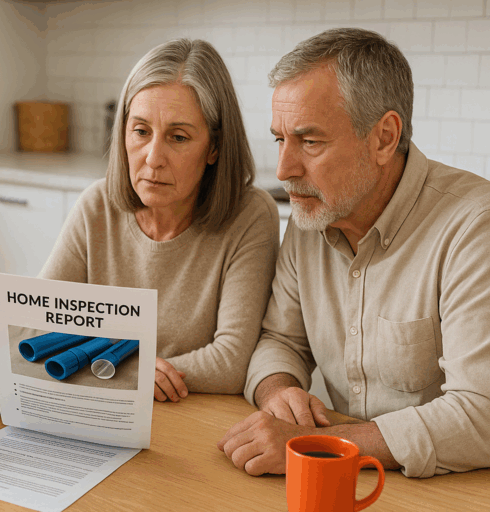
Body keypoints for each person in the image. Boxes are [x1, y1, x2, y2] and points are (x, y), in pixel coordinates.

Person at [217, 28, 490, 478]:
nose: (284, 169)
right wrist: (278, 391)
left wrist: (321, 445)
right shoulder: (313, 215)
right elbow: (280, 341)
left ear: (384, 137)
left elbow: (481, 415)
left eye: (310, 142)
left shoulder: (474, 226)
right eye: (280, 139)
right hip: (346, 483)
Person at [39, 39, 280, 402]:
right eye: (140, 131)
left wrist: (117, 368)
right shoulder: (96, 205)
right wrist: (131, 371)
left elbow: (231, 362)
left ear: (214, 147)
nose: (153, 158)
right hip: (106, 405)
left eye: (178, 137)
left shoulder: (250, 215)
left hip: (197, 414)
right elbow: (37, 325)